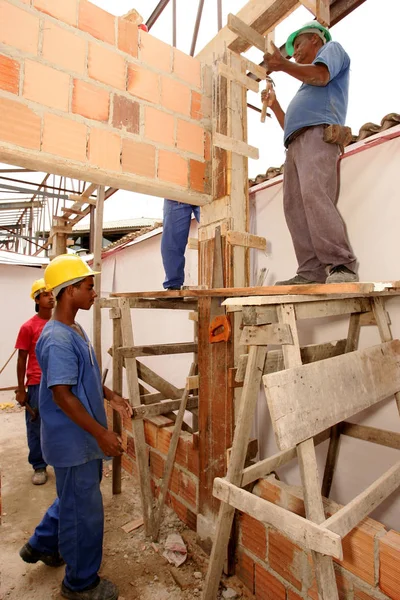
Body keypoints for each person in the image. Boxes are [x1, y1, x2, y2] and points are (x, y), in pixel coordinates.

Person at [19, 254, 132, 600]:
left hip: (81, 441)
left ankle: (40, 544)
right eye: (88, 286)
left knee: (72, 498)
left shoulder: (74, 329)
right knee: (84, 513)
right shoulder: (56, 339)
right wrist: (102, 433)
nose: (94, 292)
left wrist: (110, 395)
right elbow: (63, 395)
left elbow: (85, 377)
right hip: (74, 442)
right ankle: (80, 584)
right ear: (69, 292)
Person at [262, 21, 358, 285]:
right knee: (294, 207)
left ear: (316, 39)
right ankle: (310, 272)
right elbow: (289, 126)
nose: (294, 53)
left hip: (318, 135)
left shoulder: (333, 50)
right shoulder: (305, 86)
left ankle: (342, 265)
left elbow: (321, 75)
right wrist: (275, 105)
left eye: (299, 45)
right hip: (295, 143)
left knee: (316, 196)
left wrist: (282, 65)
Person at [15, 278, 54, 485]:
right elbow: (22, 359)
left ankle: (58, 458)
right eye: (46, 295)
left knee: (58, 423)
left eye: (52, 294)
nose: (51, 298)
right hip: (37, 383)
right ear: (37, 299)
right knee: (35, 425)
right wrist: (21, 389)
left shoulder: (60, 323)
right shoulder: (28, 327)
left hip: (59, 383)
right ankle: (39, 466)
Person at [161, 198, 200, 290]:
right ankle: (173, 286)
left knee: (218, 227)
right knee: (171, 240)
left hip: (208, 187)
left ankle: (226, 281)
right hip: (175, 193)